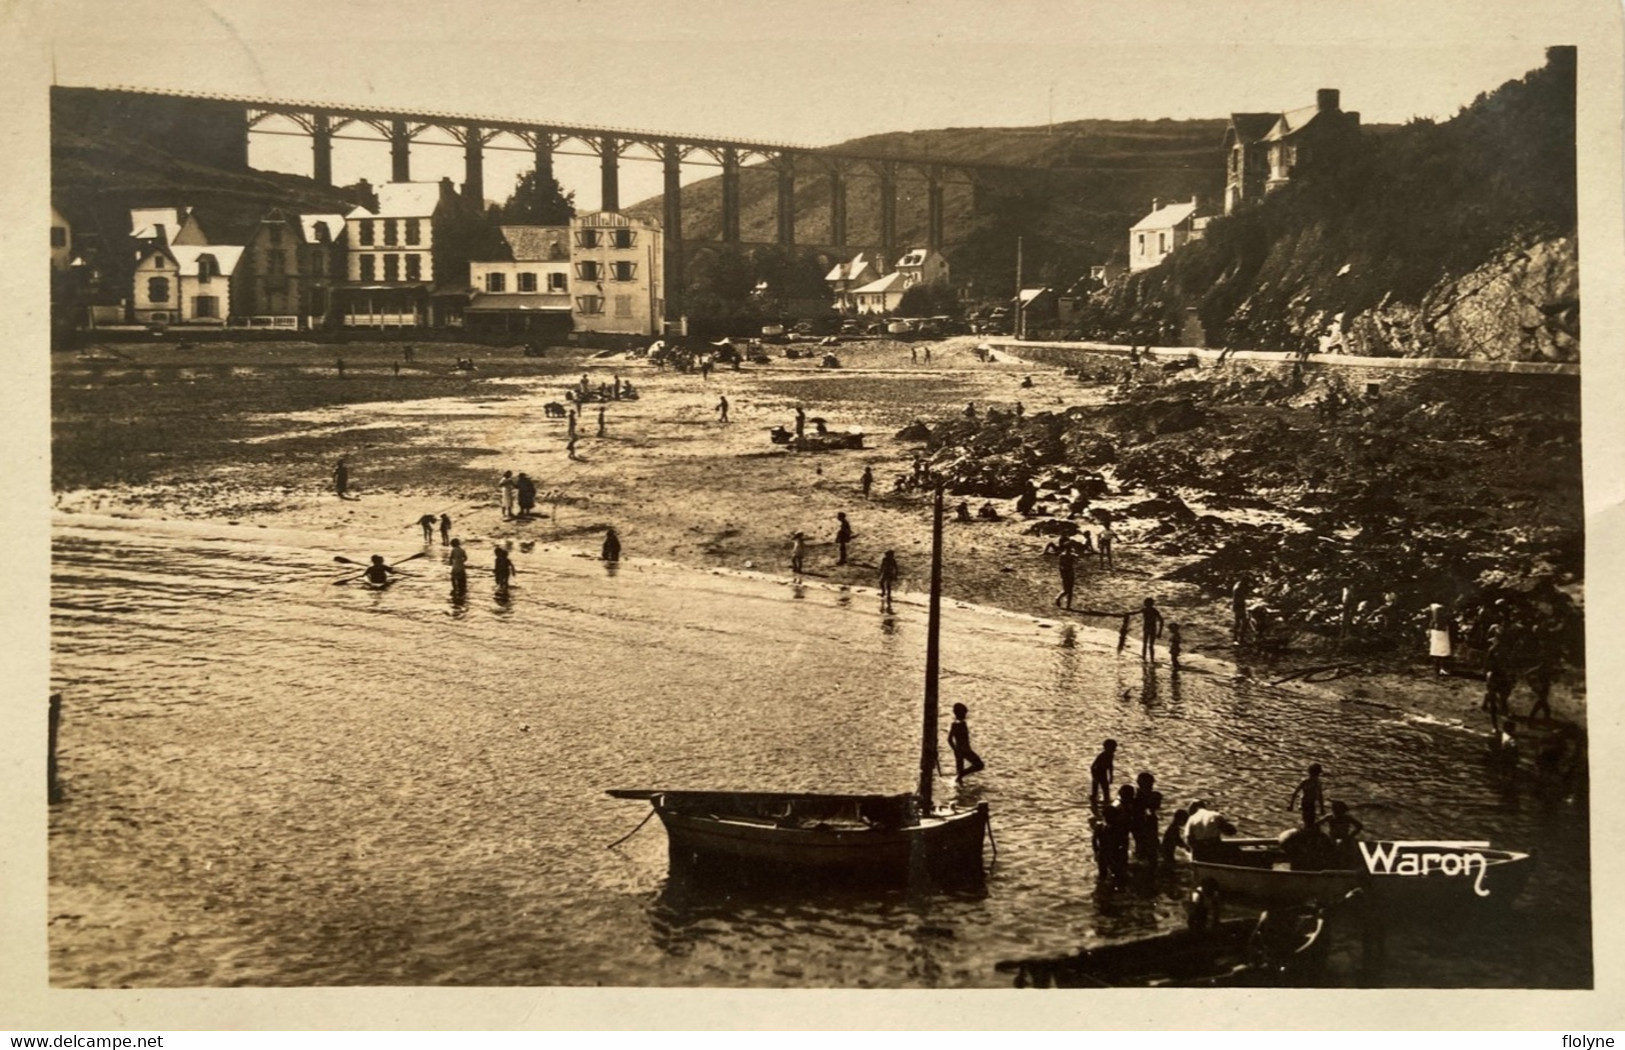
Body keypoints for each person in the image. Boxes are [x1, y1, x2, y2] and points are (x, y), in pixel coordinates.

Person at [946, 702, 985, 780]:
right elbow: (950, 739)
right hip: (964, 750)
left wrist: (955, 750)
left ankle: (960, 781)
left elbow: (950, 739)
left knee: (959, 772)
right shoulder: (959, 724)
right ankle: (962, 774)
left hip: (960, 750)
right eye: (964, 713)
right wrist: (956, 750)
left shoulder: (958, 724)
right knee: (979, 765)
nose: (965, 715)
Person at [1288, 763, 1326, 828]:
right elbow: (1295, 793)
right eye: (1317, 774)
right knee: (1308, 819)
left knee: (1311, 819)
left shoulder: (1317, 782)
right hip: (1305, 803)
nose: (1317, 776)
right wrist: (1291, 805)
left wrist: (1322, 808)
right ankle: (1306, 830)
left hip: (1311, 803)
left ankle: (1307, 829)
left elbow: (1320, 796)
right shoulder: (1307, 781)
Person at [1427, 602, 1453, 675]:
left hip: (1436, 632)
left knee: (1437, 652)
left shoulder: (1434, 610)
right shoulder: (1439, 609)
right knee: (1441, 652)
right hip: (1441, 633)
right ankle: (1441, 668)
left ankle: (1438, 669)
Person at [1089, 739, 1117, 807]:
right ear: (1106, 747)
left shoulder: (1111, 755)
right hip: (1097, 772)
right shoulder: (1102, 756)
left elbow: (1110, 766)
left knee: (1106, 789)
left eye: (1115, 747)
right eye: (1113, 748)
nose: (1114, 749)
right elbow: (1092, 766)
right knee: (1095, 790)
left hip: (1103, 772)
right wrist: (1094, 776)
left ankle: (1106, 803)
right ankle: (1094, 802)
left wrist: (1111, 776)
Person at [1053, 538, 1078, 610]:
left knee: (1070, 590)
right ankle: (1058, 598)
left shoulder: (1069, 555)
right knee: (1067, 590)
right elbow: (1060, 566)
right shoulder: (1063, 556)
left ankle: (1068, 606)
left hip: (1070, 572)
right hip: (1066, 573)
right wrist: (1062, 574)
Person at [1140, 598, 1164, 662]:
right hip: (1152, 628)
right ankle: (1151, 659)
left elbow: (1161, 621)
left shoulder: (1145, 610)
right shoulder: (1154, 611)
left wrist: (1160, 632)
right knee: (1149, 645)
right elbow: (1161, 621)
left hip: (1148, 628)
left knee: (1146, 644)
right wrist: (1160, 632)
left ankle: (1145, 658)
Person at [1232, 576, 1252, 643]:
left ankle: (1237, 638)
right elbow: (1240, 598)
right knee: (1243, 622)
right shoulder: (1239, 588)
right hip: (1239, 606)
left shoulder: (1238, 585)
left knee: (1238, 622)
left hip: (1237, 605)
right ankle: (1239, 639)